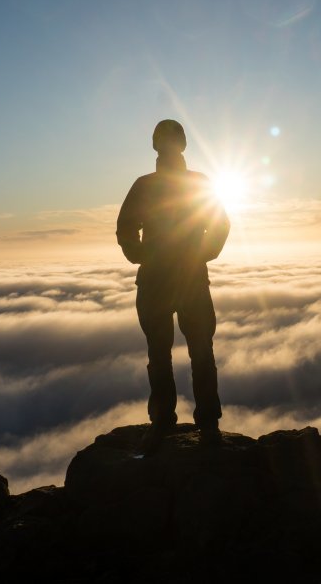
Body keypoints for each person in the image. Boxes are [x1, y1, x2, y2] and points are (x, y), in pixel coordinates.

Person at [116, 119, 230, 453]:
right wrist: (143, 255)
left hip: (178, 280)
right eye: (162, 139)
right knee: (171, 354)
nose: (166, 144)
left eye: (170, 138)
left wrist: (199, 255)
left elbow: (219, 224)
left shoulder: (167, 184)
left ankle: (202, 423)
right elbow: (126, 229)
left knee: (196, 353)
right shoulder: (153, 185)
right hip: (165, 280)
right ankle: (173, 422)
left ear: (179, 144)